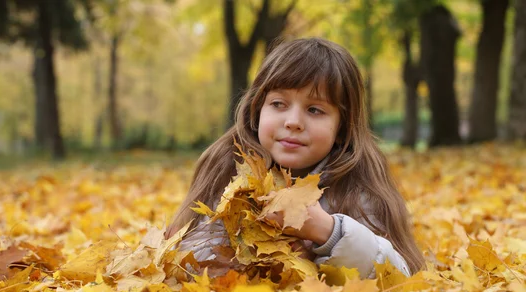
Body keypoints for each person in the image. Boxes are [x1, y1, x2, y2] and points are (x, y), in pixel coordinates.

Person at [167, 37, 423, 279]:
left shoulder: (359, 185)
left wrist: (328, 233)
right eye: (279, 104)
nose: (293, 122)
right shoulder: (225, 167)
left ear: (342, 126)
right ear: (257, 109)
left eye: (314, 110)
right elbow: (188, 261)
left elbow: (397, 276)